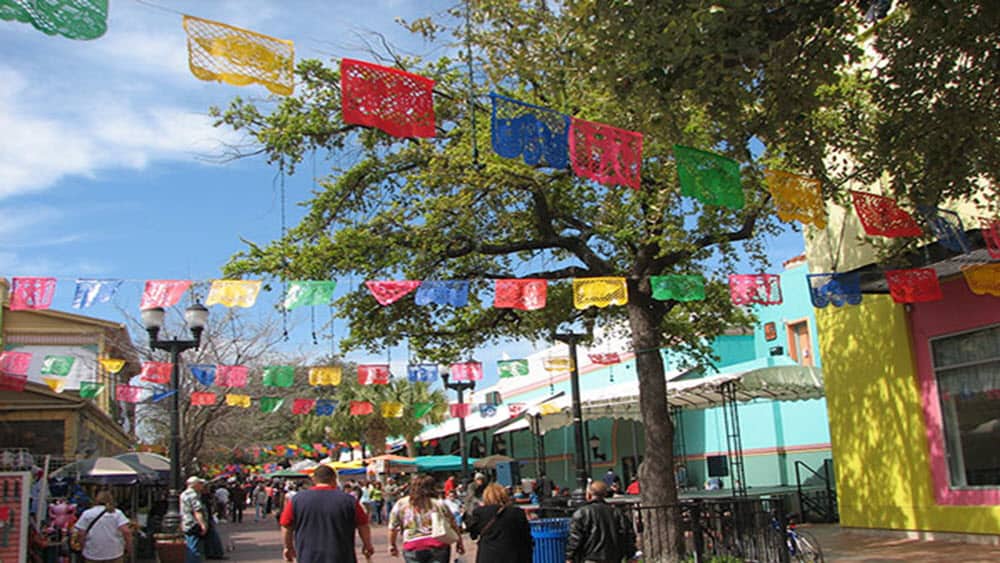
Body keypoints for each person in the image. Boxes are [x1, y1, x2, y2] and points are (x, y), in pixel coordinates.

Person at [280, 465, 375, 563]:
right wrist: (367, 545)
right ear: (334, 479)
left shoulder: (297, 500)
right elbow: (363, 525)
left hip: (308, 556)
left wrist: (288, 547)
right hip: (341, 556)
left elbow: (286, 525)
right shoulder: (348, 500)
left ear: (314, 480)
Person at [388, 475, 465, 563]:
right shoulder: (439, 503)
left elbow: (392, 527)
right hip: (438, 543)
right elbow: (453, 523)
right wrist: (459, 542)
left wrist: (392, 544)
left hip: (413, 544)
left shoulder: (401, 504)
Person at [566, 481, 637, 563]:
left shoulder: (582, 513)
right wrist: (630, 555)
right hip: (613, 558)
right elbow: (627, 535)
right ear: (605, 494)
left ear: (589, 494)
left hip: (591, 558)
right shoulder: (617, 513)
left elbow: (575, 539)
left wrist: (569, 557)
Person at [465, 484, 532, 563]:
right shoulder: (516, 512)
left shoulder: (479, 513)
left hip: (488, 556)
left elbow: (473, 535)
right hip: (513, 556)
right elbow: (526, 537)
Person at [72, 490, 132, 563]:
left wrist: (82, 546)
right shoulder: (117, 513)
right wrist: (128, 547)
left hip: (93, 552)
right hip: (114, 552)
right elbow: (126, 532)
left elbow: (81, 533)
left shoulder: (87, 513)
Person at [181, 476, 210, 563]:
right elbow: (197, 511)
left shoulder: (184, 494)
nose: (202, 486)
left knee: (190, 545)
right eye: (200, 484)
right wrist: (202, 524)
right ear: (195, 485)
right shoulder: (193, 495)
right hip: (193, 524)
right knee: (194, 547)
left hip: (186, 523)